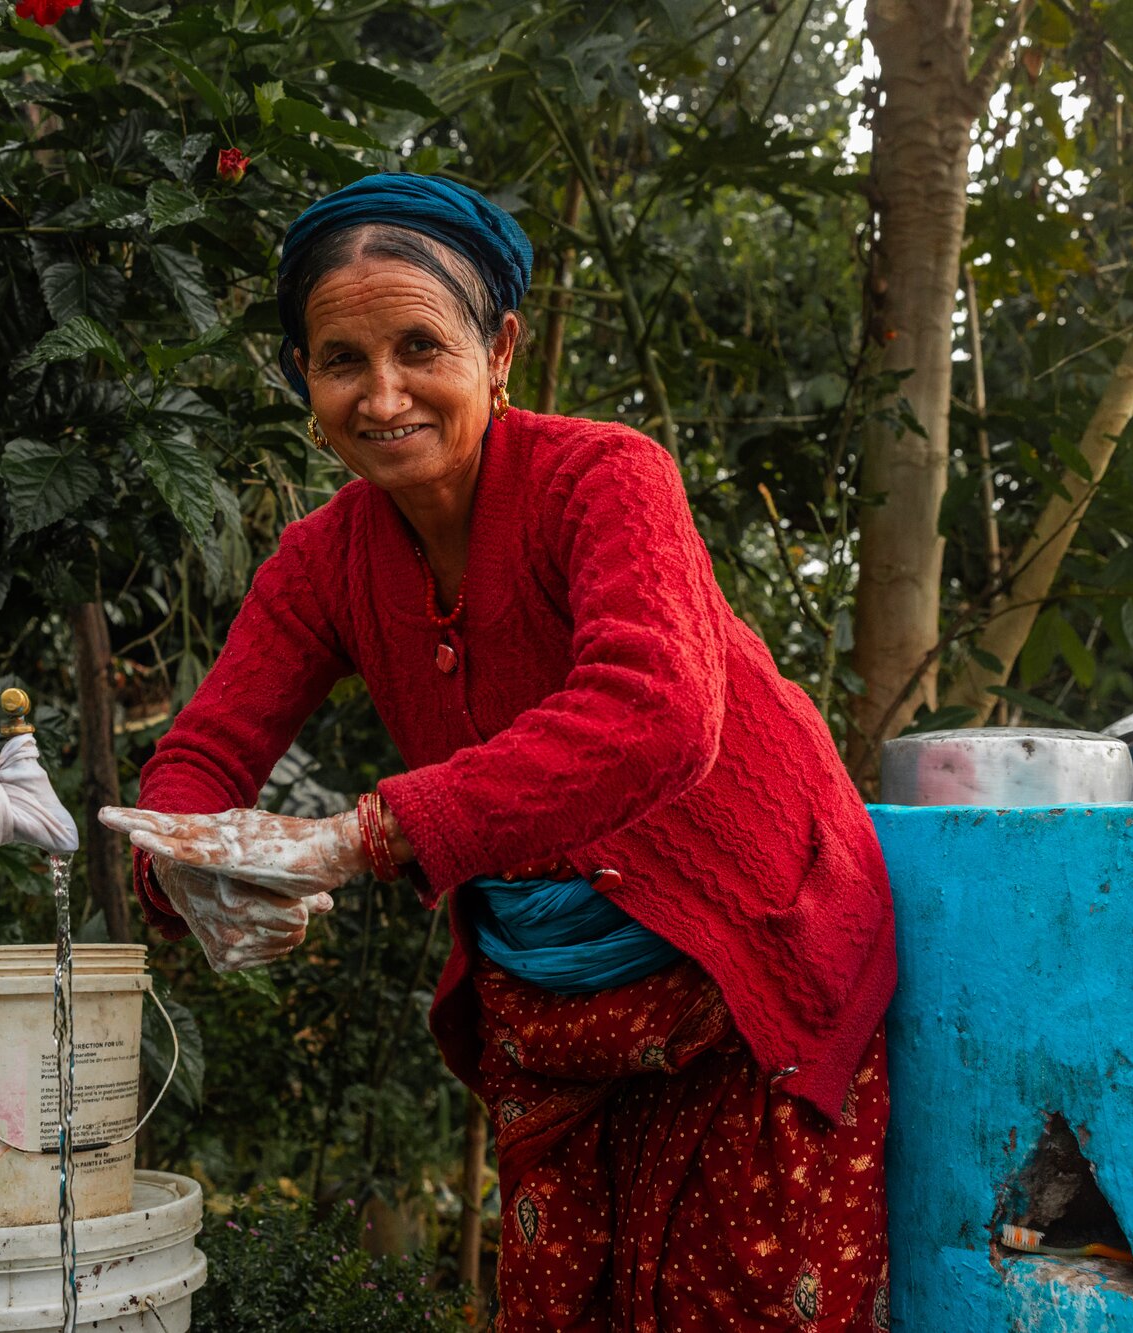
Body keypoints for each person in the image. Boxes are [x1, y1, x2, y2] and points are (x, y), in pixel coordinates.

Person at [100, 173, 895, 1331]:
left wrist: (354, 837)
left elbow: (658, 712)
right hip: (550, 1011)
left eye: (419, 345)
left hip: (745, 976)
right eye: (338, 361)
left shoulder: (604, 477)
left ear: (500, 347)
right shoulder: (322, 562)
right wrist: (187, 866)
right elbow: (200, 756)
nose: (382, 396)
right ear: (301, 379)